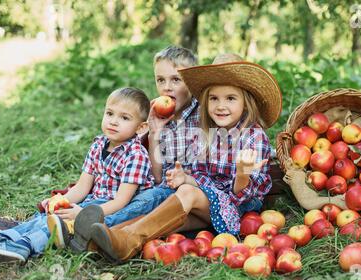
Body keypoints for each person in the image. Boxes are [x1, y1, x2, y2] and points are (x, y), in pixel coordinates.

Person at [88, 54, 283, 263]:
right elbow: (201, 176)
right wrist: (185, 178)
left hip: (237, 212)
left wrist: (242, 174)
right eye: (213, 98)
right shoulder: (206, 133)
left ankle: (124, 241)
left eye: (230, 98)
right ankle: (102, 239)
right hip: (208, 206)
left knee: (186, 193)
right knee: (161, 219)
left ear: (246, 102)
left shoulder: (253, 136)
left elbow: (241, 196)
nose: (220, 105)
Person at [0, 87, 154, 262]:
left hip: (112, 211)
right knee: (49, 215)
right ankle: (5, 237)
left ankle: (24, 246)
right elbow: (82, 187)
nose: (113, 121)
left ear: (141, 127)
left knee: (60, 224)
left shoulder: (135, 154)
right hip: (92, 202)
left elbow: (121, 201)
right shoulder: (98, 144)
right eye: (110, 113)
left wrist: (83, 214)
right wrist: (60, 202)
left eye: (124, 118)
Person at [70, 45, 204, 253]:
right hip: (167, 191)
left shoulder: (204, 114)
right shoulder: (159, 115)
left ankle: (92, 226)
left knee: (148, 200)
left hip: (196, 193)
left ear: (192, 82)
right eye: (161, 80)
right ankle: (98, 233)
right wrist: (155, 133)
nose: (167, 87)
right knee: (146, 199)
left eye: (176, 80)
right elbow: (157, 177)